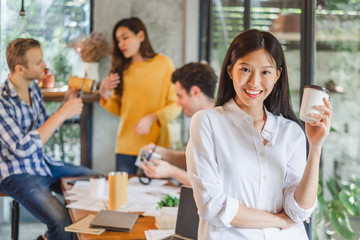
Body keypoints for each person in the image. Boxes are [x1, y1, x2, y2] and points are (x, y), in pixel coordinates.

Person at [186, 29, 332, 239]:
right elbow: (212, 206)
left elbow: (299, 210)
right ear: (229, 70)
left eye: (265, 72)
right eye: (245, 69)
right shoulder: (207, 122)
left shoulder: (290, 132)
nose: (254, 82)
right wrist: (280, 221)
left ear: (277, 75)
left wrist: (316, 147)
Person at [0, 38, 95, 240]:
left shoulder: (34, 89)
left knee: (97, 180)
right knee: (61, 223)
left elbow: (43, 128)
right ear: (20, 68)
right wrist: (61, 114)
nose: (44, 66)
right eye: (38, 62)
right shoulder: (1, 101)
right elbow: (22, 148)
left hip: (42, 164)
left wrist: (64, 107)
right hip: (16, 172)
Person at [99, 17, 181, 174]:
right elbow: (121, 110)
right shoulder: (120, 69)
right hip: (126, 146)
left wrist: (153, 117)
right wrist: (103, 93)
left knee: (156, 196)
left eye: (125, 37)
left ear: (141, 36)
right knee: (124, 195)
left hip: (156, 146)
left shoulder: (164, 64)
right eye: (118, 40)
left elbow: (176, 103)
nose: (121, 44)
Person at [140, 62, 217, 186]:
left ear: (195, 92)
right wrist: (161, 152)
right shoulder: (201, 120)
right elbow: (195, 159)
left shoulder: (215, 125)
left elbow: (209, 185)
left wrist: (171, 171)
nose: (178, 103)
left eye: (180, 96)